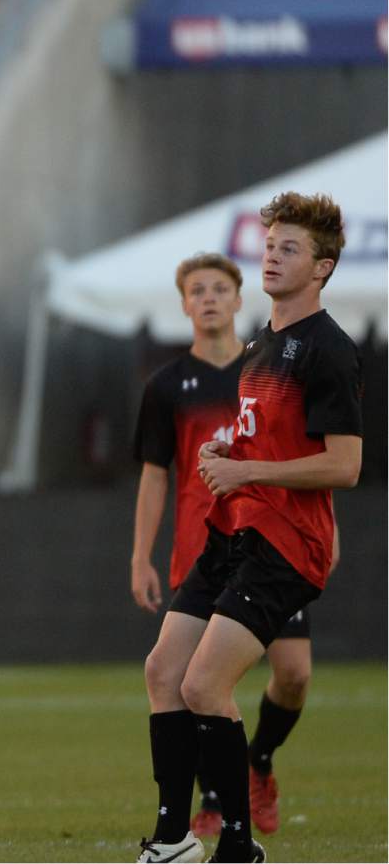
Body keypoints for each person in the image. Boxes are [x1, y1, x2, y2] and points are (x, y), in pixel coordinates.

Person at [135, 192, 363, 864]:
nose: (271, 255)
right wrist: (229, 454)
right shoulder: (263, 340)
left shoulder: (328, 350)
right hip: (232, 532)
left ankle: (238, 847)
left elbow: (345, 466)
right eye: (268, 245)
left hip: (284, 546)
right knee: (162, 671)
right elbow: (263, 439)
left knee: (207, 685)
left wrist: (249, 476)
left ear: (321, 269)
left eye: (288, 248)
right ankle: (174, 839)